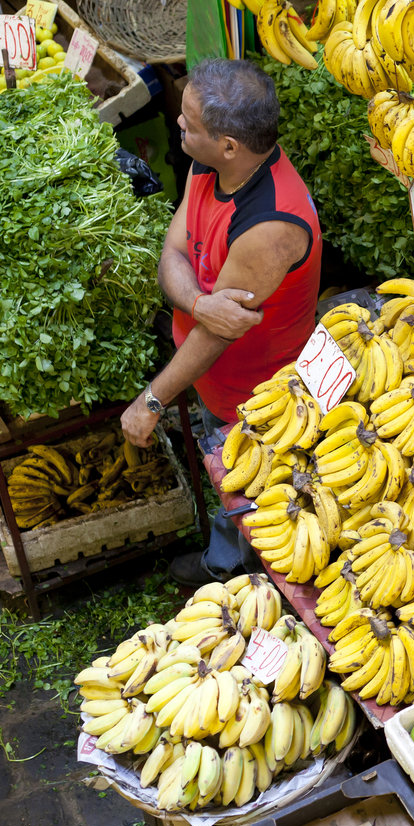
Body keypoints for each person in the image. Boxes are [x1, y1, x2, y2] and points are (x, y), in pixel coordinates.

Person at [120, 59, 322, 586]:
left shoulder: (270, 225)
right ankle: (224, 561)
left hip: (258, 399)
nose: (179, 126)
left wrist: (153, 401)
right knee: (226, 482)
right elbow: (173, 249)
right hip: (211, 380)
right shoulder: (206, 167)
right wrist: (199, 301)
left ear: (230, 143)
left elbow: (218, 333)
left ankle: (249, 592)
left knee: (259, 505)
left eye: (190, 122)